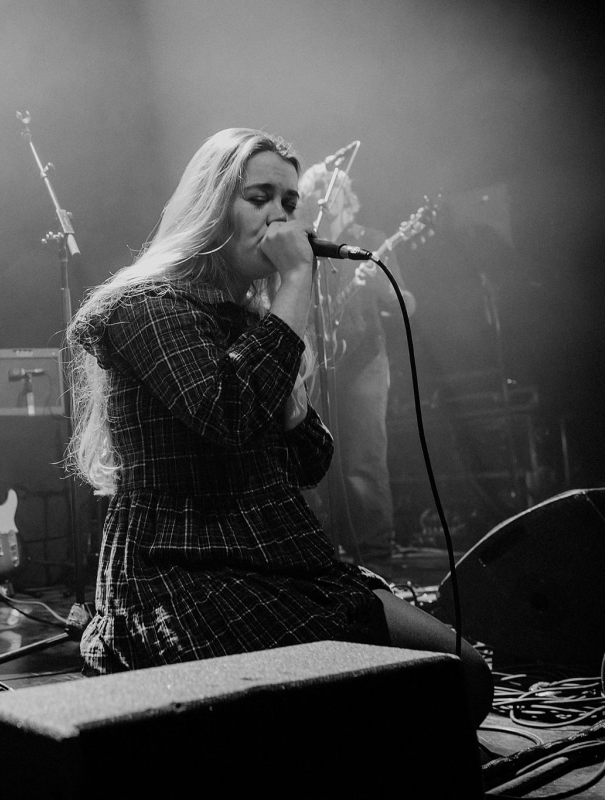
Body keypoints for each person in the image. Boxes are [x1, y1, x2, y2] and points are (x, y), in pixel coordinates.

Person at [66, 127, 490, 726]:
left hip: (282, 558)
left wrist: (293, 411)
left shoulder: (255, 320)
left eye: (289, 202)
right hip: (184, 567)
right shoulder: (145, 306)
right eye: (259, 197)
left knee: (464, 678)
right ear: (213, 205)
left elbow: (311, 461)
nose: (280, 216)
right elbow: (229, 416)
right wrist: (294, 285)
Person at [297, 164, 416, 565]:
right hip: (319, 360)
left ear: (347, 198)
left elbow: (407, 303)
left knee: (363, 455)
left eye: (331, 192)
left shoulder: (371, 240)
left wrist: (384, 286)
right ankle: (321, 547)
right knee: (315, 454)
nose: (324, 199)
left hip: (365, 358)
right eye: (316, 192)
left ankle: (375, 551)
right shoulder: (308, 245)